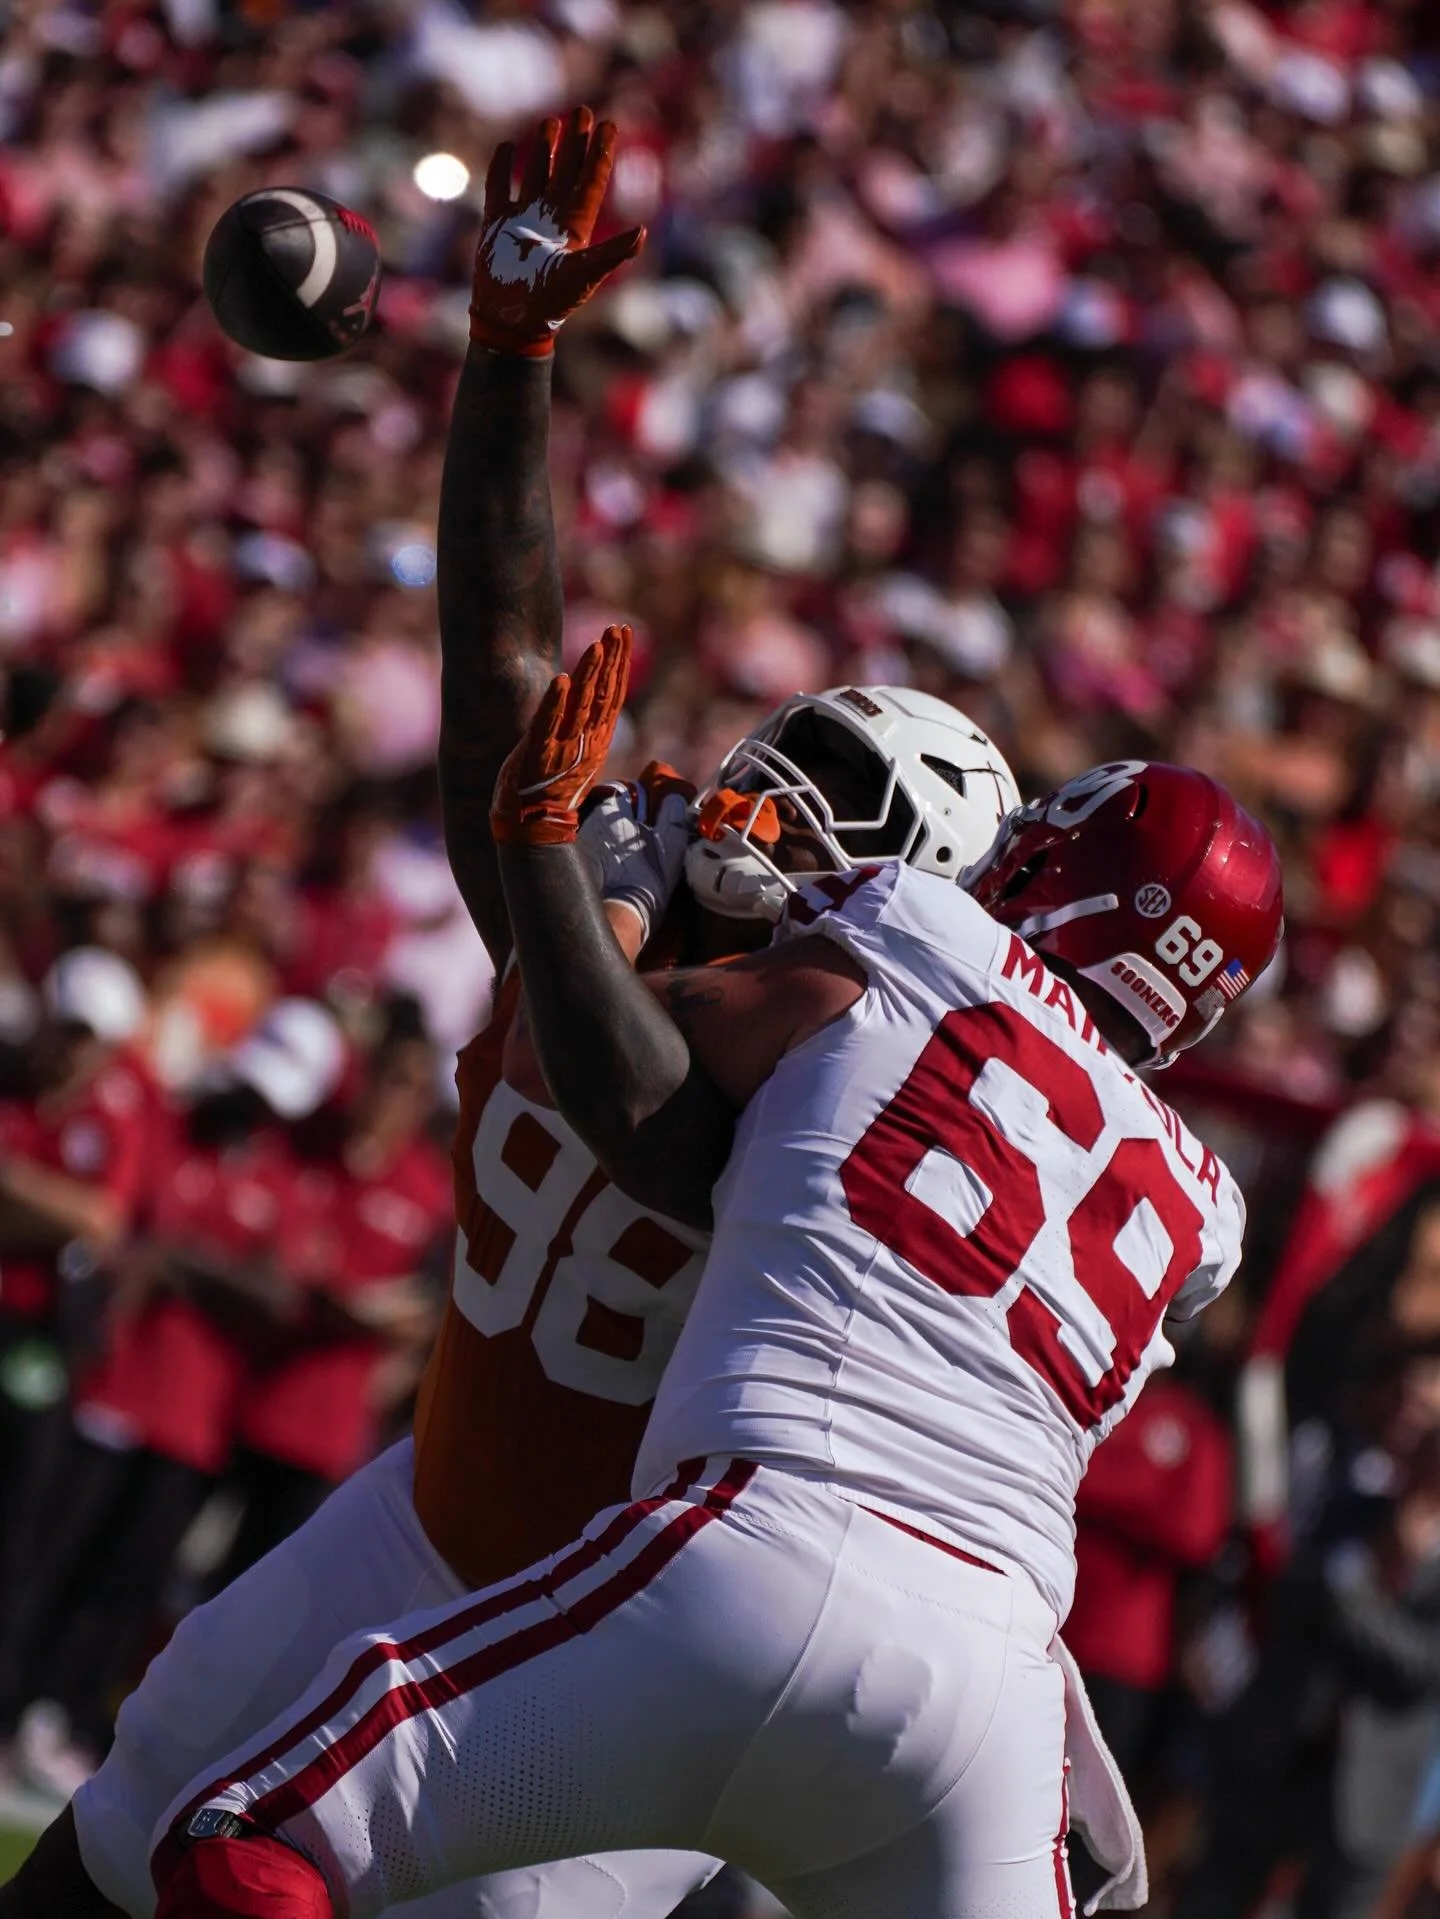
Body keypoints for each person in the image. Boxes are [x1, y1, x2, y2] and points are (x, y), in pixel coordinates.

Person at [0, 108, 1018, 1919]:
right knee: (116, 1838)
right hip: (419, 1508)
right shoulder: (607, 915)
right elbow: (499, 662)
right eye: (799, 745)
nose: (765, 786)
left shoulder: (816, 1105)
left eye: (833, 790)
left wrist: (567, 877)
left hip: (605, 1654)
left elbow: (629, 1090)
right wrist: (512, 356)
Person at [147, 626, 1283, 1919]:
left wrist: (606, 892)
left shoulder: (916, 925)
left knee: (247, 1833)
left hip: (760, 1542)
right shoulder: (1208, 1210)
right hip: (998, 1681)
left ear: (1051, 857)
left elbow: (598, 1048)